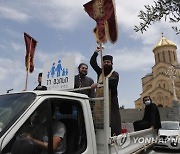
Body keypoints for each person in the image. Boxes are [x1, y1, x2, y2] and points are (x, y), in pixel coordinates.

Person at [90, 48, 121, 136]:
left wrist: (98, 84)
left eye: (108, 62)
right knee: (99, 125)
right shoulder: (100, 72)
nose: (106, 63)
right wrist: (96, 52)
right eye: (104, 62)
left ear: (112, 64)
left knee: (112, 124)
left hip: (111, 104)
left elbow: (112, 81)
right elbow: (92, 63)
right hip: (99, 104)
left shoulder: (115, 74)